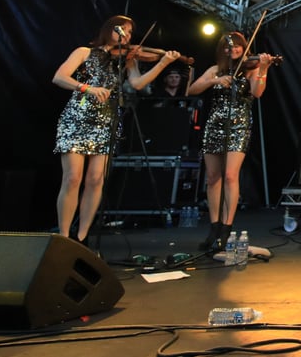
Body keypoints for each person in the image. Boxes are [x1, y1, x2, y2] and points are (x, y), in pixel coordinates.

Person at [52, 15, 181, 243]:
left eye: (130, 32)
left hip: (106, 120)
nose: (126, 35)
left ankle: (82, 236)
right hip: (77, 118)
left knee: (96, 179)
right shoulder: (84, 52)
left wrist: (163, 63)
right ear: (109, 29)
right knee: (72, 177)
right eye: (122, 29)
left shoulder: (126, 60)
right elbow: (60, 77)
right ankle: (63, 236)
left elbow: (137, 84)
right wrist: (87, 88)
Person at [187, 32, 273, 250]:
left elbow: (258, 92)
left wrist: (263, 69)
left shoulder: (251, 68)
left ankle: (227, 227)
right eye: (228, 46)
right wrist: (215, 80)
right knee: (212, 177)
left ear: (244, 48)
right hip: (214, 123)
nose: (233, 49)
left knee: (230, 175)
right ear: (222, 50)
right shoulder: (215, 69)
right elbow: (192, 89)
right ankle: (214, 226)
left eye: (237, 46)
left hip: (239, 125)